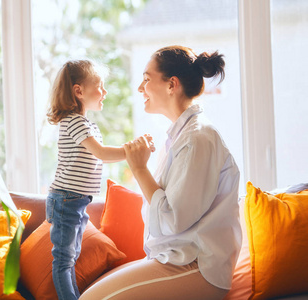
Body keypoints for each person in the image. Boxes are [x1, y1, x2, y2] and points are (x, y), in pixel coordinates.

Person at [80, 46, 242, 300]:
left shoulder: (197, 139)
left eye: (146, 79)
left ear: (171, 85)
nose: (139, 88)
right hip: (176, 258)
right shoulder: (180, 138)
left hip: (198, 266)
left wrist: (139, 168)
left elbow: (172, 220)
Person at [46, 59, 154, 300]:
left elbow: (102, 156)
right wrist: (134, 149)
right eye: (100, 85)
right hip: (66, 199)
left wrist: (136, 148)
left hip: (76, 200)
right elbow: (103, 153)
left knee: (70, 257)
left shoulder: (87, 125)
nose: (104, 91)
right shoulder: (73, 122)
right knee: (64, 259)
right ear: (78, 91)